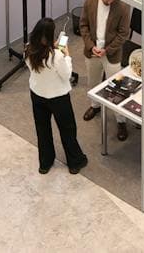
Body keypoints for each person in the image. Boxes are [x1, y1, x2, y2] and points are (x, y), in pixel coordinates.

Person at [26, 17, 88, 175]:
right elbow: (66, 75)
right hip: (58, 98)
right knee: (67, 129)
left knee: (42, 129)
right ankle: (75, 162)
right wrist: (66, 54)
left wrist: (53, 49)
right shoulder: (57, 57)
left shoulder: (28, 50)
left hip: (37, 95)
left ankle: (45, 163)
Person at [75, 0, 131, 141]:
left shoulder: (124, 7)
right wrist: (90, 45)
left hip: (111, 53)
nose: (109, 0)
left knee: (117, 87)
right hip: (92, 50)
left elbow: (123, 34)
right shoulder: (90, 1)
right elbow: (83, 25)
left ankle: (121, 120)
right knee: (93, 81)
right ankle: (95, 106)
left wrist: (107, 50)